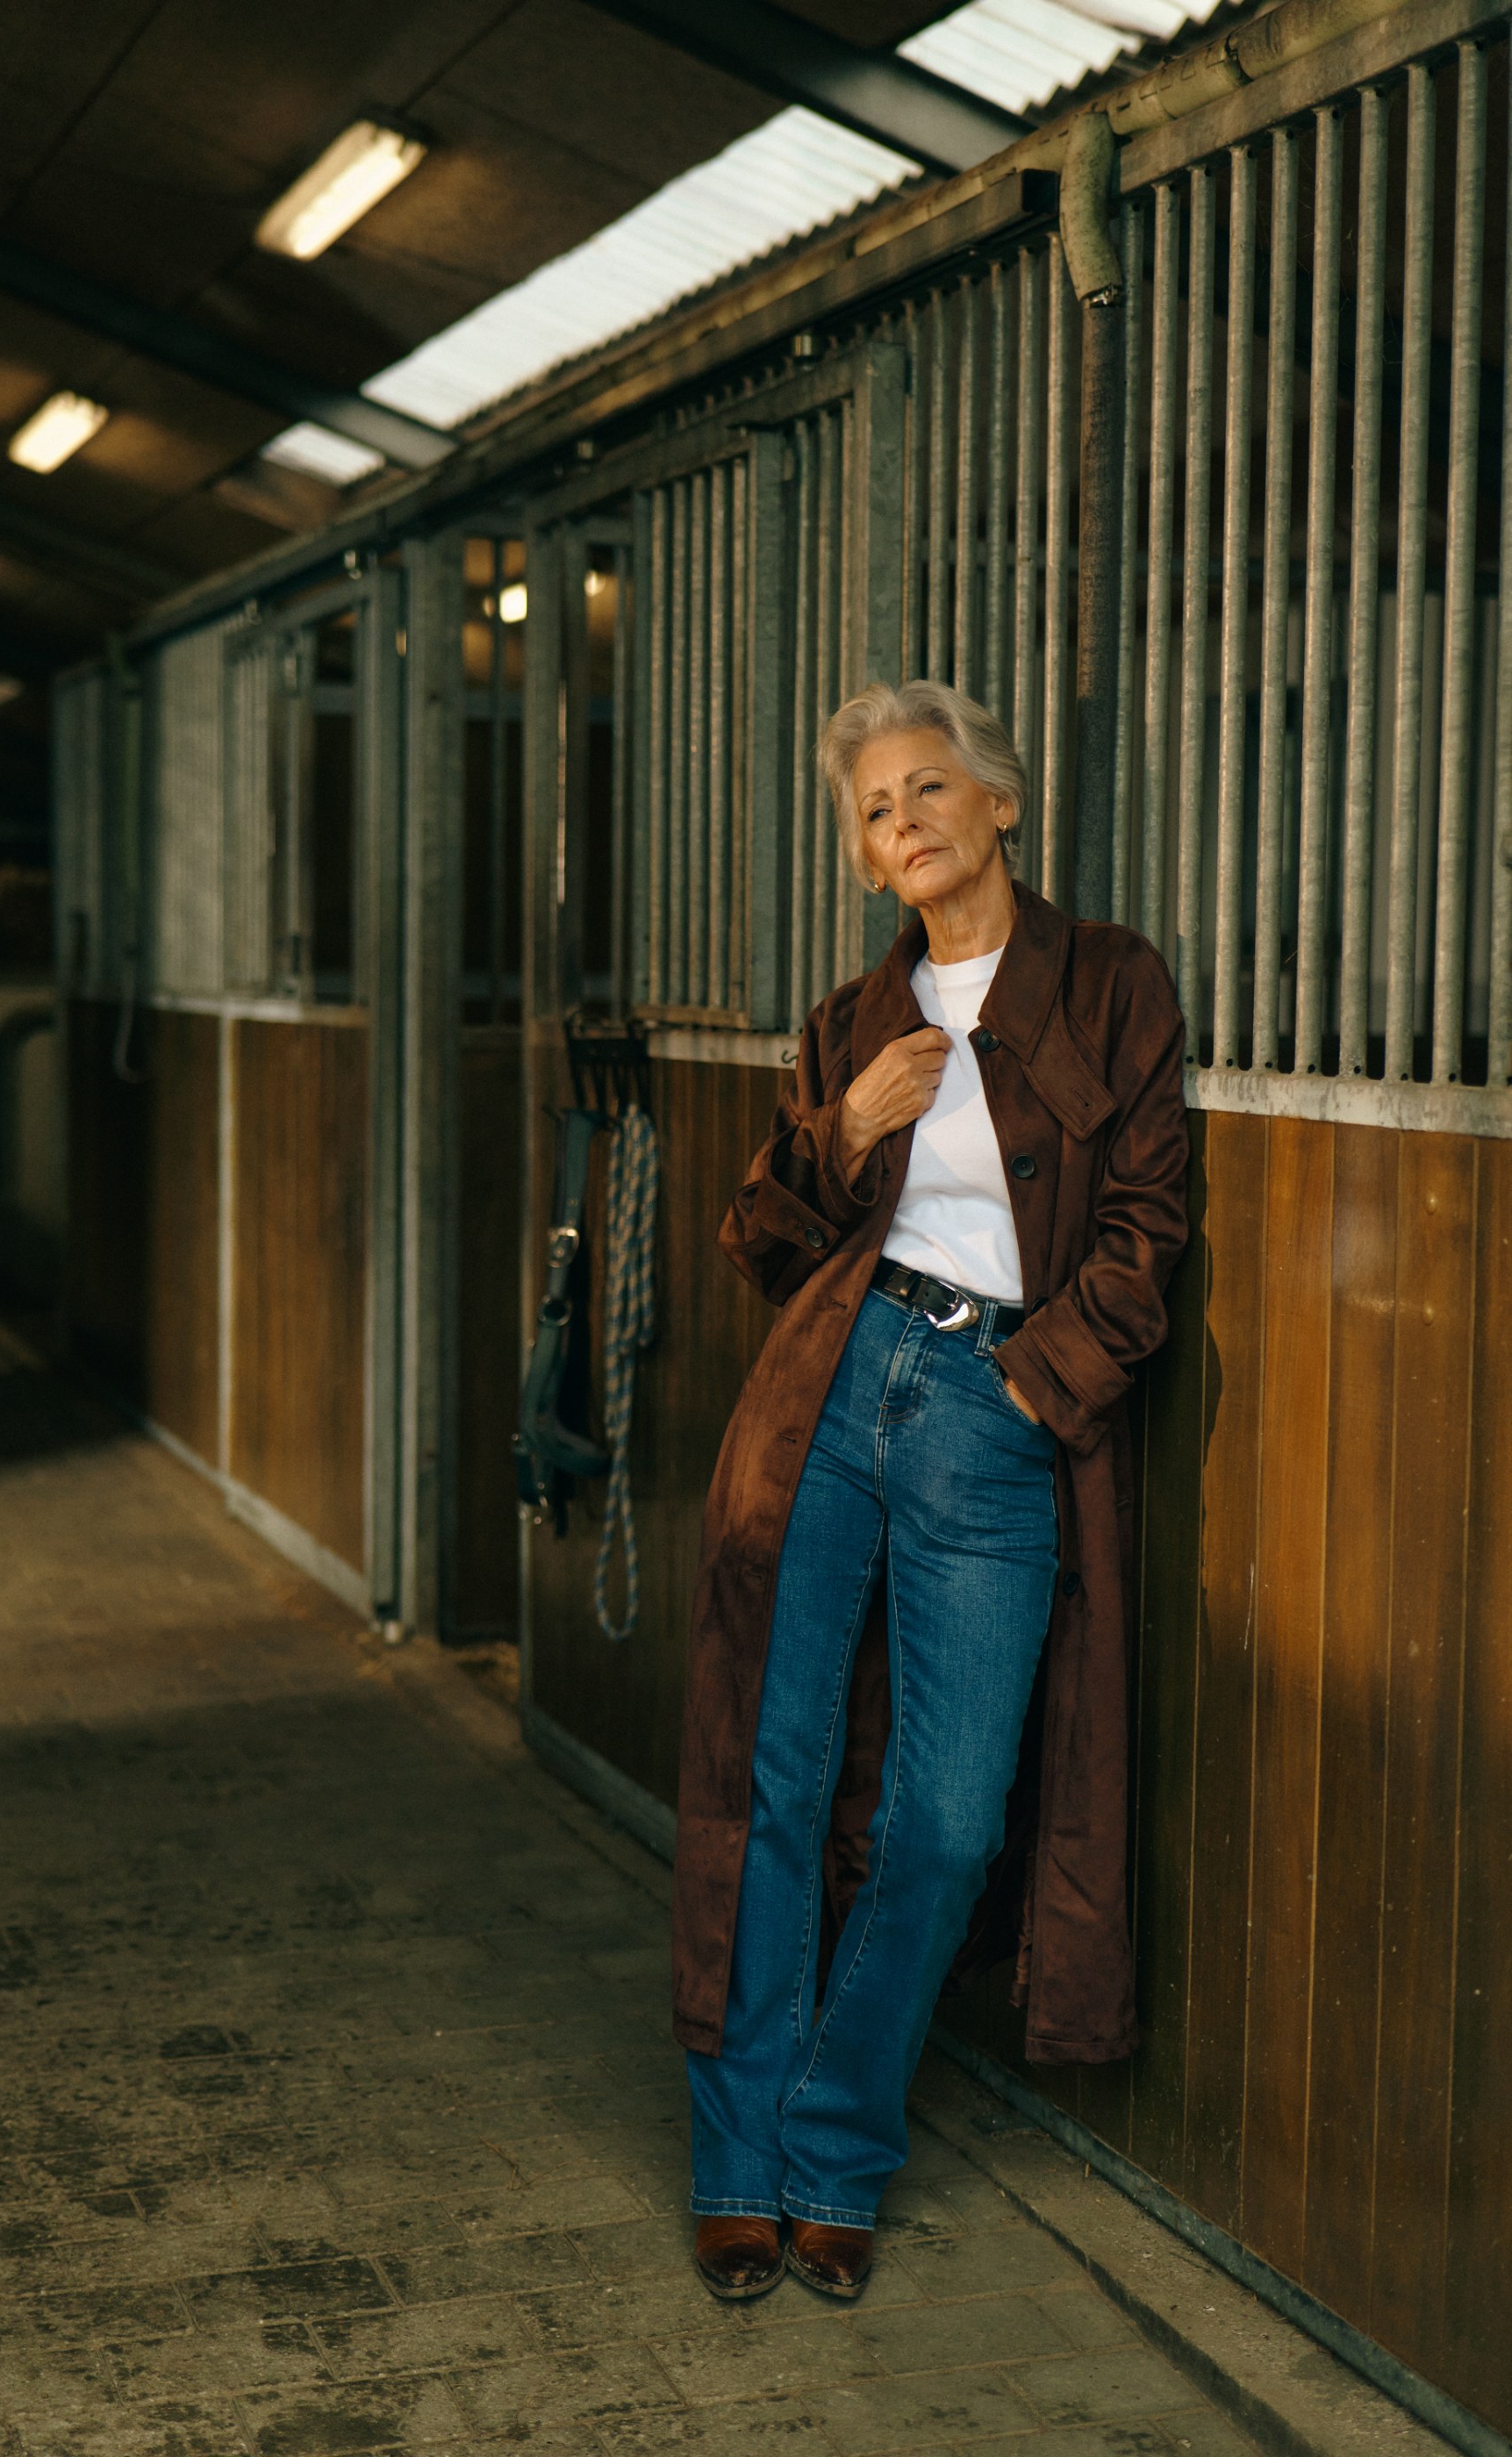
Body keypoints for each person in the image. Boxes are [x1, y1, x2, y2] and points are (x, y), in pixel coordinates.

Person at [672, 679, 1189, 2303]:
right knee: (772, 1779)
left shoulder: (1109, 984)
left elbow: (1150, 1234)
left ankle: (839, 2146)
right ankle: (743, 2166)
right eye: (874, 813)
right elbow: (760, 1246)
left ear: (1001, 803)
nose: (902, 824)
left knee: (952, 1819)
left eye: (925, 789)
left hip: (992, 1412)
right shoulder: (851, 1020)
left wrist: (1033, 1396)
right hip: (830, 1392)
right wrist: (838, 1134)